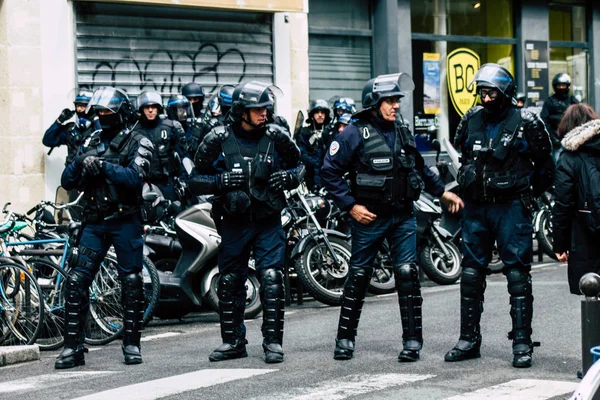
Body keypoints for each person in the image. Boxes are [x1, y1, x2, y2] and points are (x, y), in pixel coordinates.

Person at [321, 73, 463, 362]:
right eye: (390, 100)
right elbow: (328, 171)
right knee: (359, 276)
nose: (396, 105)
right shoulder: (352, 133)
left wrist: (442, 192)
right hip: (369, 218)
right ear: (374, 103)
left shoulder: (402, 131)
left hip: (403, 217)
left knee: (408, 274)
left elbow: (420, 168)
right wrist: (350, 206)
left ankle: (412, 341)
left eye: (397, 100)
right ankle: (345, 340)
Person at [445, 63, 554, 368]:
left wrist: (529, 194)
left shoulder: (527, 121)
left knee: (517, 274)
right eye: (481, 92)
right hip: (476, 207)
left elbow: (546, 165)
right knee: (470, 273)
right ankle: (469, 339)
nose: (486, 98)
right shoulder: (470, 119)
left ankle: (521, 344)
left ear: (505, 92)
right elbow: (461, 155)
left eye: (491, 91)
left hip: (511, 207)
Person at [189, 81, 303, 364]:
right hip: (234, 221)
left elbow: (300, 165)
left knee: (272, 278)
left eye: (266, 107)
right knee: (229, 281)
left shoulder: (277, 135)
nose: (264, 113)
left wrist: (289, 178)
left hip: (268, 219)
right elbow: (193, 181)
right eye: (257, 109)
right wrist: (220, 181)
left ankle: (273, 343)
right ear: (241, 111)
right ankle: (233, 342)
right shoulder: (217, 138)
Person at [55, 87, 154, 369]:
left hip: (125, 221)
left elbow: (135, 178)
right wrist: (82, 163)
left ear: (121, 113)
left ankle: (132, 344)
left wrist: (103, 167)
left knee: (132, 282)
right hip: (95, 221)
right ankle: (73, 348)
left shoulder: (139, 141)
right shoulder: (93, 139)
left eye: (107, 112)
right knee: (76, 281)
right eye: (99, 112)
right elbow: (67, 179)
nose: (102, 116)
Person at [552, 103, 600, 293]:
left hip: (584, 232)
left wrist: (560, 245)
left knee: (591, 288)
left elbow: (563, 204)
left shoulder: (569, 157)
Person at [134, 91, 186, 201]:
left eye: (153, 107)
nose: (150, 110)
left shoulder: (171, 127)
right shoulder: (134, 130)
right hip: (143, 184)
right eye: (147, 107)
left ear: (158, 108)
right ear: (141, 110)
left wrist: (184, 180)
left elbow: (182, 156)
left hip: (167, 182)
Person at [43, 89, 94, 166]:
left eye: (83, 106)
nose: (79, 109)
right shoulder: (71, 129)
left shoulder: (98, 128)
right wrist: (59, 120)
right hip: (73, 174)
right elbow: (48, 140)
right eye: (77, 106)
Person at [541, 73, 579, 159]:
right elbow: (544, 121)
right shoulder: (549, 102)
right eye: (559, 86)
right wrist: (552, 138)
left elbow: (580, 117)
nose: (561, 88)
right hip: (556, 139)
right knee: (558, 163)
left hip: (571, 138)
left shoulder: (572, 100)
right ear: (555, 86)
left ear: (567, 86)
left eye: (563, 85)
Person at [297, 99, 331, 191]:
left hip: (328, 175)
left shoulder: (330, 132)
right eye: (317, 112)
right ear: (312, 115)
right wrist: (314, 163)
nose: (320, 115)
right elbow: (301, 152)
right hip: (309, 176)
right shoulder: (304, 132)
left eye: (322, 112)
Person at [166, 94, 203, 159]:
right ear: (173, 112)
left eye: (185, 110)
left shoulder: (192, 128)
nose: (185, 114)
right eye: (181, 111)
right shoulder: (167, 130)